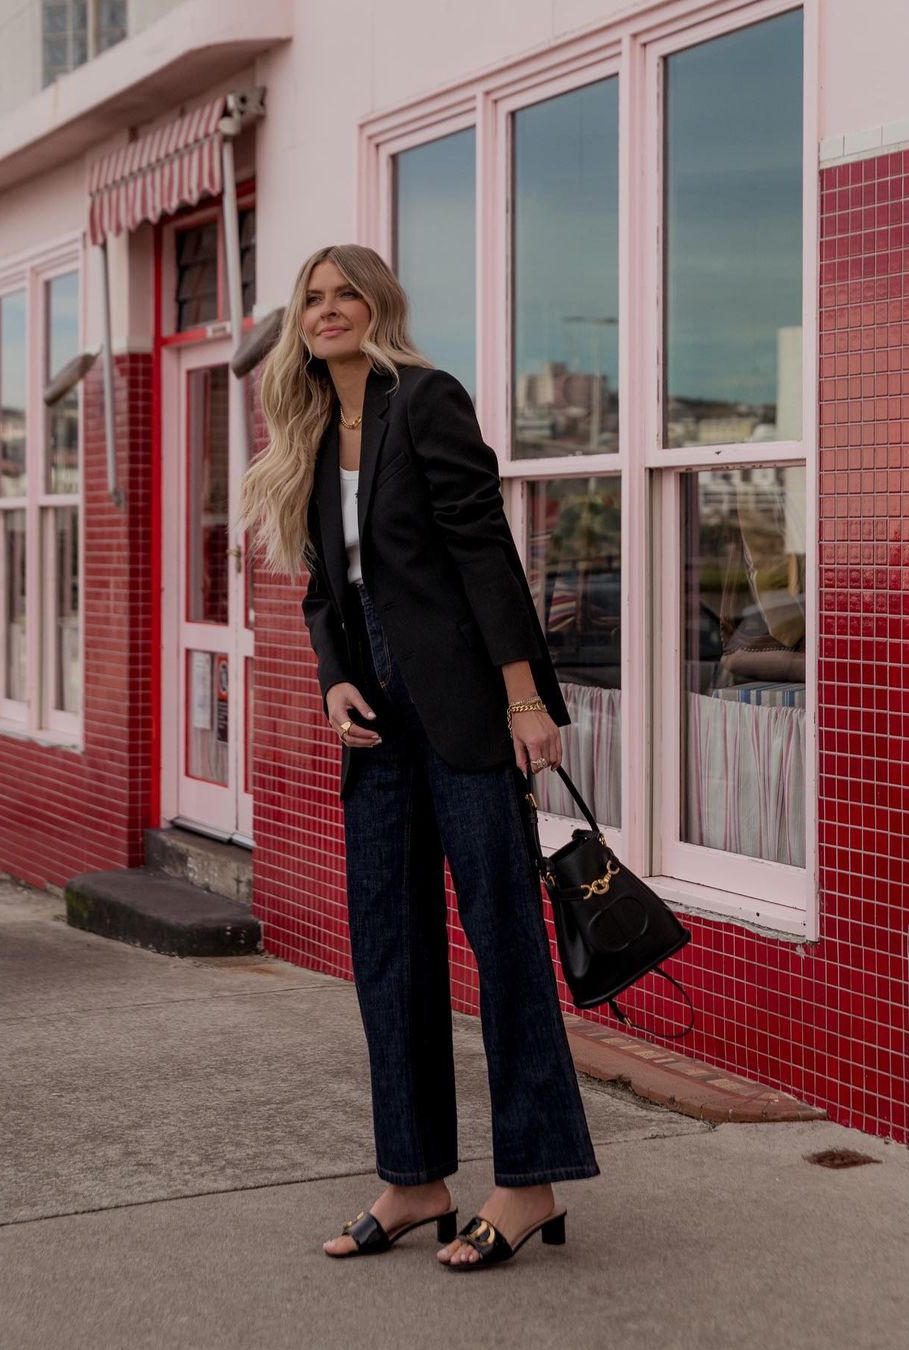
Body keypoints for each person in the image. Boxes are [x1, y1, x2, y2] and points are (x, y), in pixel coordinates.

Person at [239, 243, 599, 1270]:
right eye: (313, 298)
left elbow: (484, 550)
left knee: (502, 936)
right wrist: (332, 680)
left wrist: (524, 697)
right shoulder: (311, 429)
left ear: (379, 306)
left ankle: (529, 1179)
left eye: (346, 293)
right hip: (374, 713)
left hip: (462, 700)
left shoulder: (427, 400)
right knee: (388, 945)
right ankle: (414, 1177)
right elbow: (325, 589)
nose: (328, 310)